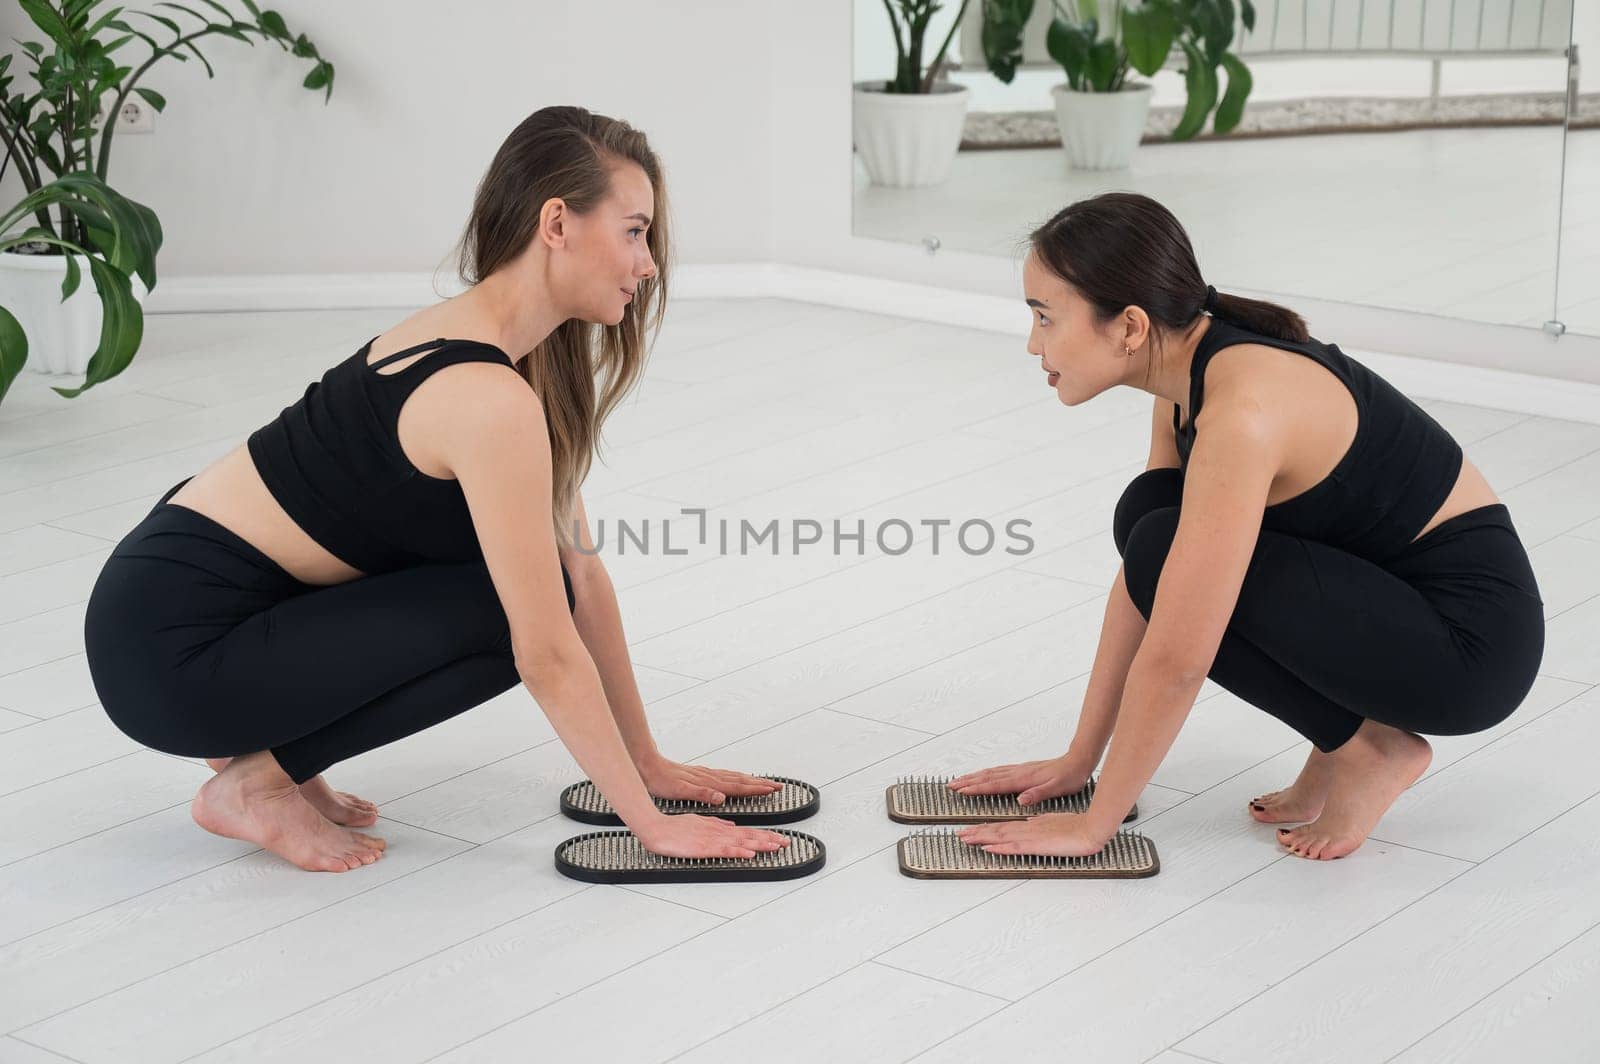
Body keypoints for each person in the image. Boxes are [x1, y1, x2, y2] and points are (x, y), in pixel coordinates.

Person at [83, 106, 791, 873]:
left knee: (539, 582)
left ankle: (267, 763)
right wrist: (651, 826)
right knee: (510, 612)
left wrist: (648, 763)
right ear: (557, 222)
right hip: (170, 655)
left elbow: (583, 573)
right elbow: (548, 648)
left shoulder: (511, 360)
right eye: (633, 230)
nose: (647, 263)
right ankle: (256, 783)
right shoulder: (485, 398)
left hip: (183, 609)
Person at [949, 192, 1544, 861]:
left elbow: (1179, 655)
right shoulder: (1186, 377)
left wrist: (1095, 823)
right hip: (1391, 600)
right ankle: (1347, 742)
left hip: (1469, 651)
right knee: (1151, 519)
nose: (1034, 343)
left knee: (1162, 541)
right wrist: (1078, 760)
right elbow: (1150, 585)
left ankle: (1370, 751)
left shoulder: (1241, 412)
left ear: (1130, 327)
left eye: (1046, 318)